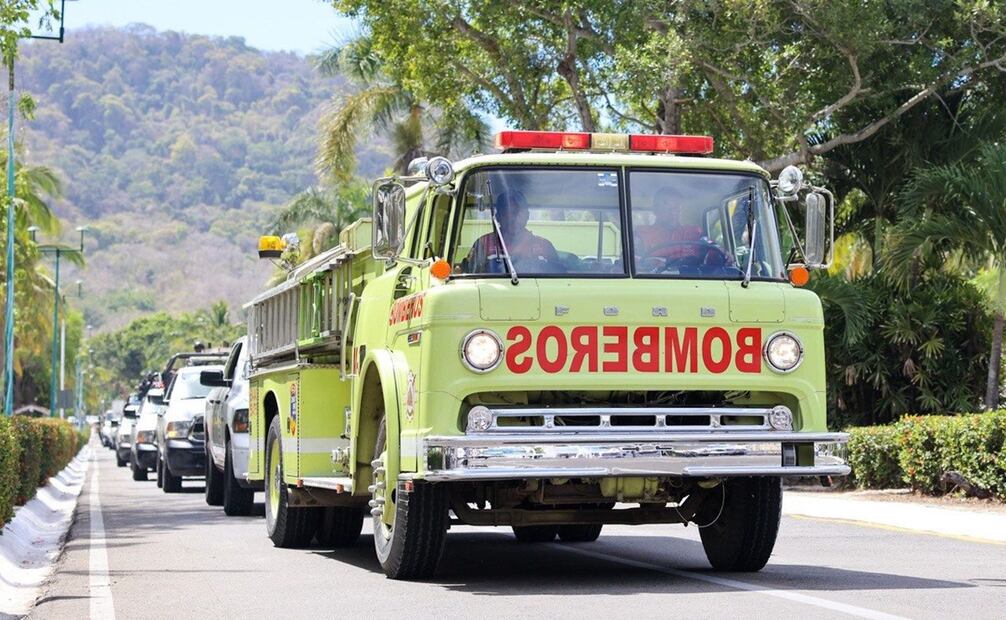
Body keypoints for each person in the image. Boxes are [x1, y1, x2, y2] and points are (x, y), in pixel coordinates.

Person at [466, 190, 560, 272]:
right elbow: (470, 277)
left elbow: (559, 282)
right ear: (498, 216)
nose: (514, 217)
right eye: (508, 212)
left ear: (527, 215)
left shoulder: (544, 246)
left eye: (519, 212)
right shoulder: (483, 244)